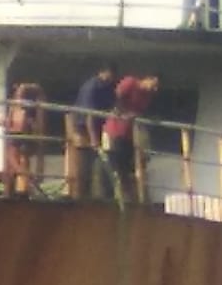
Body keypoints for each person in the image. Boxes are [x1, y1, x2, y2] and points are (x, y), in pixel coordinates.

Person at [103, 75, 159, 203]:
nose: (154, 89)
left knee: (127, 167)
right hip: (115, 130)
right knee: (115, 164)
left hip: (129, 134)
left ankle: (127, 197)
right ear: (148, 79)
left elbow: (139, 112)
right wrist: (124, 113)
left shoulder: (147, 96)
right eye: (154, 85)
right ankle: (113, 196)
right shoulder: (131, 82)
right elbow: (117, 97)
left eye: (156, 88)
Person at [67, 63, 117, 199]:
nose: (112, 78)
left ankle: (95, 194)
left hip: (98, 128)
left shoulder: (106, 88)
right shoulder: (91, 87)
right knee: (84, 164)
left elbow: (109, 108)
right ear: (104, 72)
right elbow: (89, 115)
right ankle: (80, 196)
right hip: (83, 128)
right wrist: (94, 139)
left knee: (96, 163)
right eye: (110, 74)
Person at [3, 82, 46, 196]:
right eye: (18, 92)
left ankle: (28, 185)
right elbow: (10, 123)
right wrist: (6, 123)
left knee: (15, 160)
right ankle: (14, 190)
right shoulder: (14, 106)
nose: (18, 94)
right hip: (15, 137)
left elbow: (36, 128)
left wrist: (29, 124)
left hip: (24, 139)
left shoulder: (30, 107)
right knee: (11, 165)